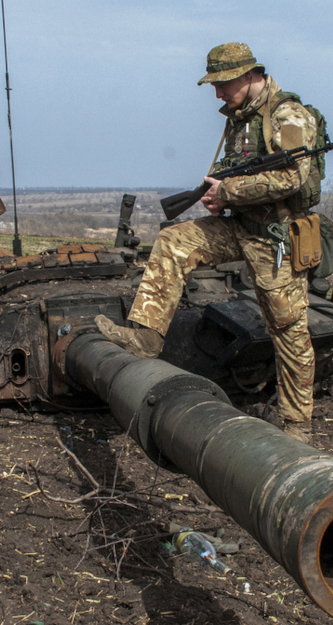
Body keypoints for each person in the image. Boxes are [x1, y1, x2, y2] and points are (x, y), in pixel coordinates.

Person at [95, 42, 319, 441]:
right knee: (174, 240)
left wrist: (229, 192)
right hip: (239, 227)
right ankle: (145, 338)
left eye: (223, 84)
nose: (217, 93)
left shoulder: (288, 114)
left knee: (288, 330)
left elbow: (292, 177)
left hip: (277, 238)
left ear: (249, 75)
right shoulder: (239, 118)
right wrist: (218, 197)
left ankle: (297, 426)